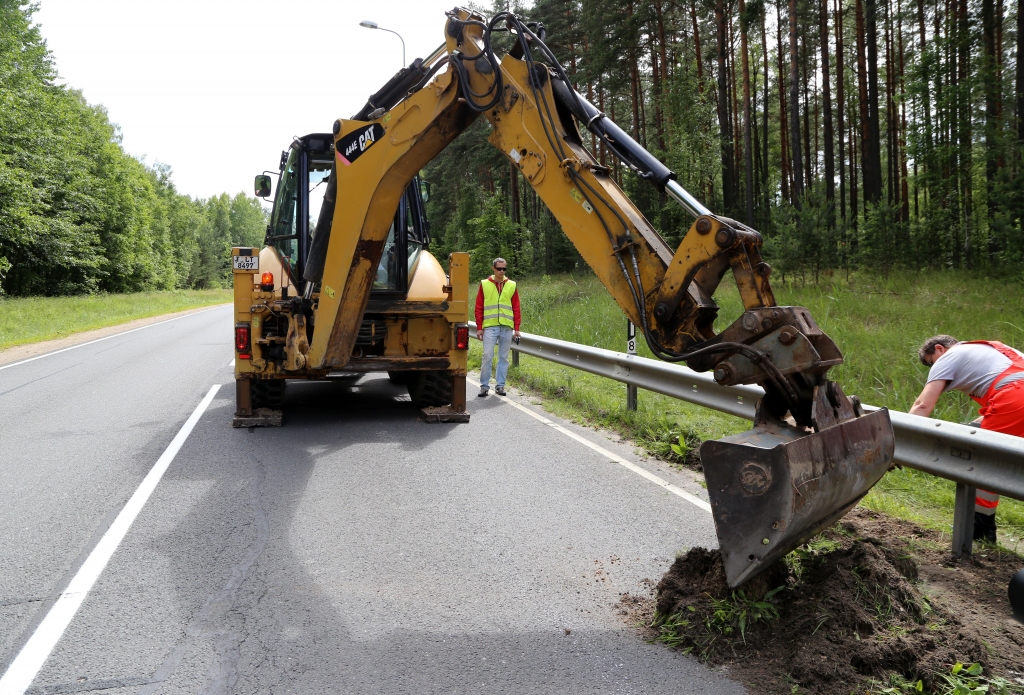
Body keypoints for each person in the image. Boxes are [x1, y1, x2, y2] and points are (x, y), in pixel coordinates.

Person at [911, 335, 1024, 542]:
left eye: (931, 362)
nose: (933, 367)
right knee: (972, 435)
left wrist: (902, 441)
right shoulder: (993, 349)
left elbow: (922, 406)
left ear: (939, 349)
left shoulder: (949, 356)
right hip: (1015, 400)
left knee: (978, 459)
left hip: (1013, 399)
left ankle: (980, 529)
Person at [474, 257, 521, 397]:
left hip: (507, 327)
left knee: (503, 358)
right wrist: (479, 327)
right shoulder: (484, 284)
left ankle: (500, 386)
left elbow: (516, 308)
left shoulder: (512, 285)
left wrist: (517, 329)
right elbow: (479, 307)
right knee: (487, 355)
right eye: (499, 268)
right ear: (493, 268)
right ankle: (484, 386)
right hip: (490, 326)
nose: (502, 271)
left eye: (504, 268)